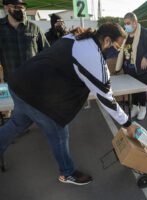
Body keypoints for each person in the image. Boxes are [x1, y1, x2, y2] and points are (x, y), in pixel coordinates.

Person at [0, 23, 137, 185]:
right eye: (116, 46)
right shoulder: (93, 56)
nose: (117, 51)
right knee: (59, 133)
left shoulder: (76, 36)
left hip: (20, 83)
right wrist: (128, 124)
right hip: (35, 95)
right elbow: (107, 98)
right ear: (106, 40)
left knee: (17, 122)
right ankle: (67, 173)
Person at [115, 12, 147, 121]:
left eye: (128, 23)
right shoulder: (127, 34)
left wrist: (146, 57)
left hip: (144, 69)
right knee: (132, 89)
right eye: (125, 24)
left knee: (140, 90)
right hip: (129, 68)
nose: (126, 26)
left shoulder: (145, 33)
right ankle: (135, 107)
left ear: (135, 23)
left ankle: (143, 108)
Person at [0, 0, 49, 84]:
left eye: (22, 7)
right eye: (17, 7)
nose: (21, 10)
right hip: (11, 83)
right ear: (6, 7)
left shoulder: (34, 28)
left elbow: (47, 53)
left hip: (34, 80)